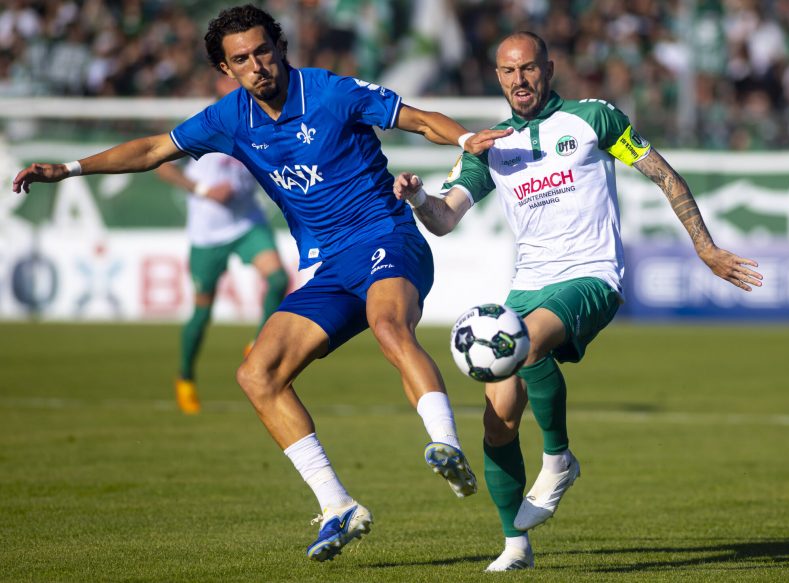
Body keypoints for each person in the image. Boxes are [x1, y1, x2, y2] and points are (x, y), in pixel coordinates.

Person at [13, 4, 511, 562]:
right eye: (241, 59)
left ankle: (444, 442)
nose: (256, 66)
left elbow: (418, 118)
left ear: (281, 49)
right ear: (226, 70)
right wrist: (68, 168)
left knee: (387, 323)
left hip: (387, 233)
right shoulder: (229, 119)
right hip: (327, 266)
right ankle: (337, 504)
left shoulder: (328, 91)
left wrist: (464, 139)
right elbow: (153, 150)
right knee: (257, 373)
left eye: (263, 51)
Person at [393, 31, 763, 572]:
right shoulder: (490, 148)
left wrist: (703, 247)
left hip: (592, 277)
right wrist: (420, 196)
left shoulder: (594, 118)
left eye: (528, 69)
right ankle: (515, 545)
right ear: (497, 77)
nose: (519, 81)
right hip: (527, 287)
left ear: (549, 67)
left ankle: (559, 458)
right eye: (507, 72)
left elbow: (662, 173)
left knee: (524, 345)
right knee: (498, 420)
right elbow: (445, 220)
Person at [156, 75, 289, 415]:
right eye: (232, 80)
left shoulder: (264, 119)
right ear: (218, 85)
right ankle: (185, 376)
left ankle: (258, 345)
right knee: (203, 310)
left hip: (246, 222)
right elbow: (162, 166)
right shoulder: (206, 123)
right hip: (208, 232)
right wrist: (203, 191)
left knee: (277, 280)